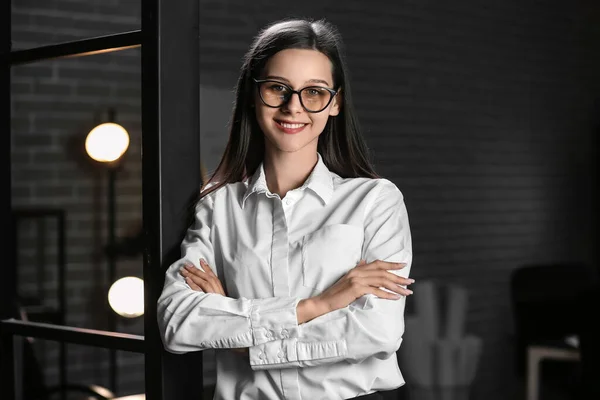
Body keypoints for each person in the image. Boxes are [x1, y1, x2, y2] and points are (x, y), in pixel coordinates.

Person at [157, 17, 414, 400]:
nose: (294, 107)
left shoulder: (375, 201)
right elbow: (178, 323)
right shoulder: (217, 206)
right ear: (252, 94)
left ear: (335, 103)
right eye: (278, 88)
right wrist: (318, 305)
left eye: (314, 92)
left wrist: (238, 332)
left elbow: (377, 331)